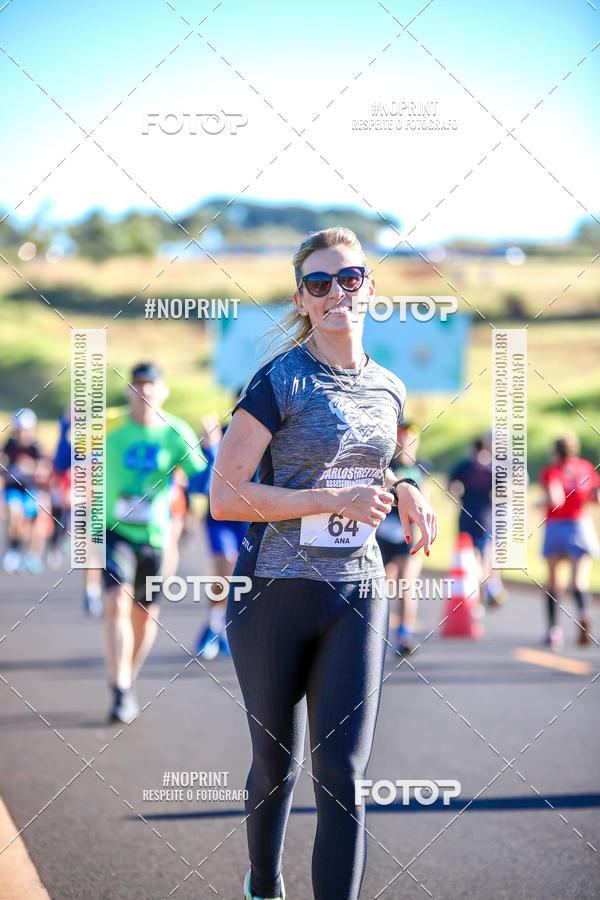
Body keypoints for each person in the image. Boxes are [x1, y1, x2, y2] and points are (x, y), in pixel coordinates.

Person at [210, 228, 438, 900]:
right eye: (319, 283)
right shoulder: (280, 380)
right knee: (274, 764)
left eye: (349, 278)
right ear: (302, 299)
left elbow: (376, 462)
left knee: (342, 772)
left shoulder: (390, 387)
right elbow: (225, 496)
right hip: (274, 591)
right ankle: (264, 882)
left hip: (358, 589)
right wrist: (326, 498)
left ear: (371, 287)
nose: (336, 292)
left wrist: (404, 485)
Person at [102, 362, 208, 723]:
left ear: (163, 392)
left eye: (152, 385)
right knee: (116, 602)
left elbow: (202, 477)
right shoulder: (110, 425)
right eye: (138, 385)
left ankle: (127, 677)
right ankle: (120, 688)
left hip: (155, 536)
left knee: (144, 616)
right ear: (130, 391)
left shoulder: (175, 432)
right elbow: (73, 451)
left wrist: (212, 447)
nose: (144, 391)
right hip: (115, 531)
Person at [195, 413, 250, 660]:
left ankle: (224, 629)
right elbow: (202, 483)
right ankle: (213, 626)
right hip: (222, 517)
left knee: (240, 577)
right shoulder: (224, 432)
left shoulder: (275, 430)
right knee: (225, 569)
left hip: (251, 516)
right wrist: (212, 447)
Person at [375, 422, 431, 656]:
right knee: (380, 586)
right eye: (401, 437)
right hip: (382, 532)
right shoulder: (387, 465)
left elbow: (425, 500)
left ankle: (404, 635)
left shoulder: (422, 467)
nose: (405, 441)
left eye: (409, 437)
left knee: (407, 584)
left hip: (407, 535)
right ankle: (373, 633)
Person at [539, 433, 599, 648]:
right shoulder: (585, 468)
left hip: (555, 526)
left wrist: (540, 504)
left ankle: (554, 632)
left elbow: (555, 499)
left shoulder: (552, 471)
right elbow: (595, 496)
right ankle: (583, 614)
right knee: (579, 580)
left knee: (554, 581)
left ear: (556, 451)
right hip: (579, 525)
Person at [449, 435, 505, 606]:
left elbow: (451, 488)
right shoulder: (489, 468)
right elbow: (501, 494)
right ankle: (489, 587)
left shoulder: (467, 466)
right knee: (483, 555)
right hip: (481, 518)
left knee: (476, 557)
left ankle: (484, 590)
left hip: (472, 517)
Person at [1, 409, 49, 574]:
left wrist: (32, 468)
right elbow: (3, 469)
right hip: (13, 489)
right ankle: (14, 550)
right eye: (21, 431)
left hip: (31, 490)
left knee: (33, 522)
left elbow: (45, 470)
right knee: (15, 515)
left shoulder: (36, 448)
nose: (24, 435)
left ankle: (32, 555)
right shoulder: (10, 446)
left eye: (27, 431)